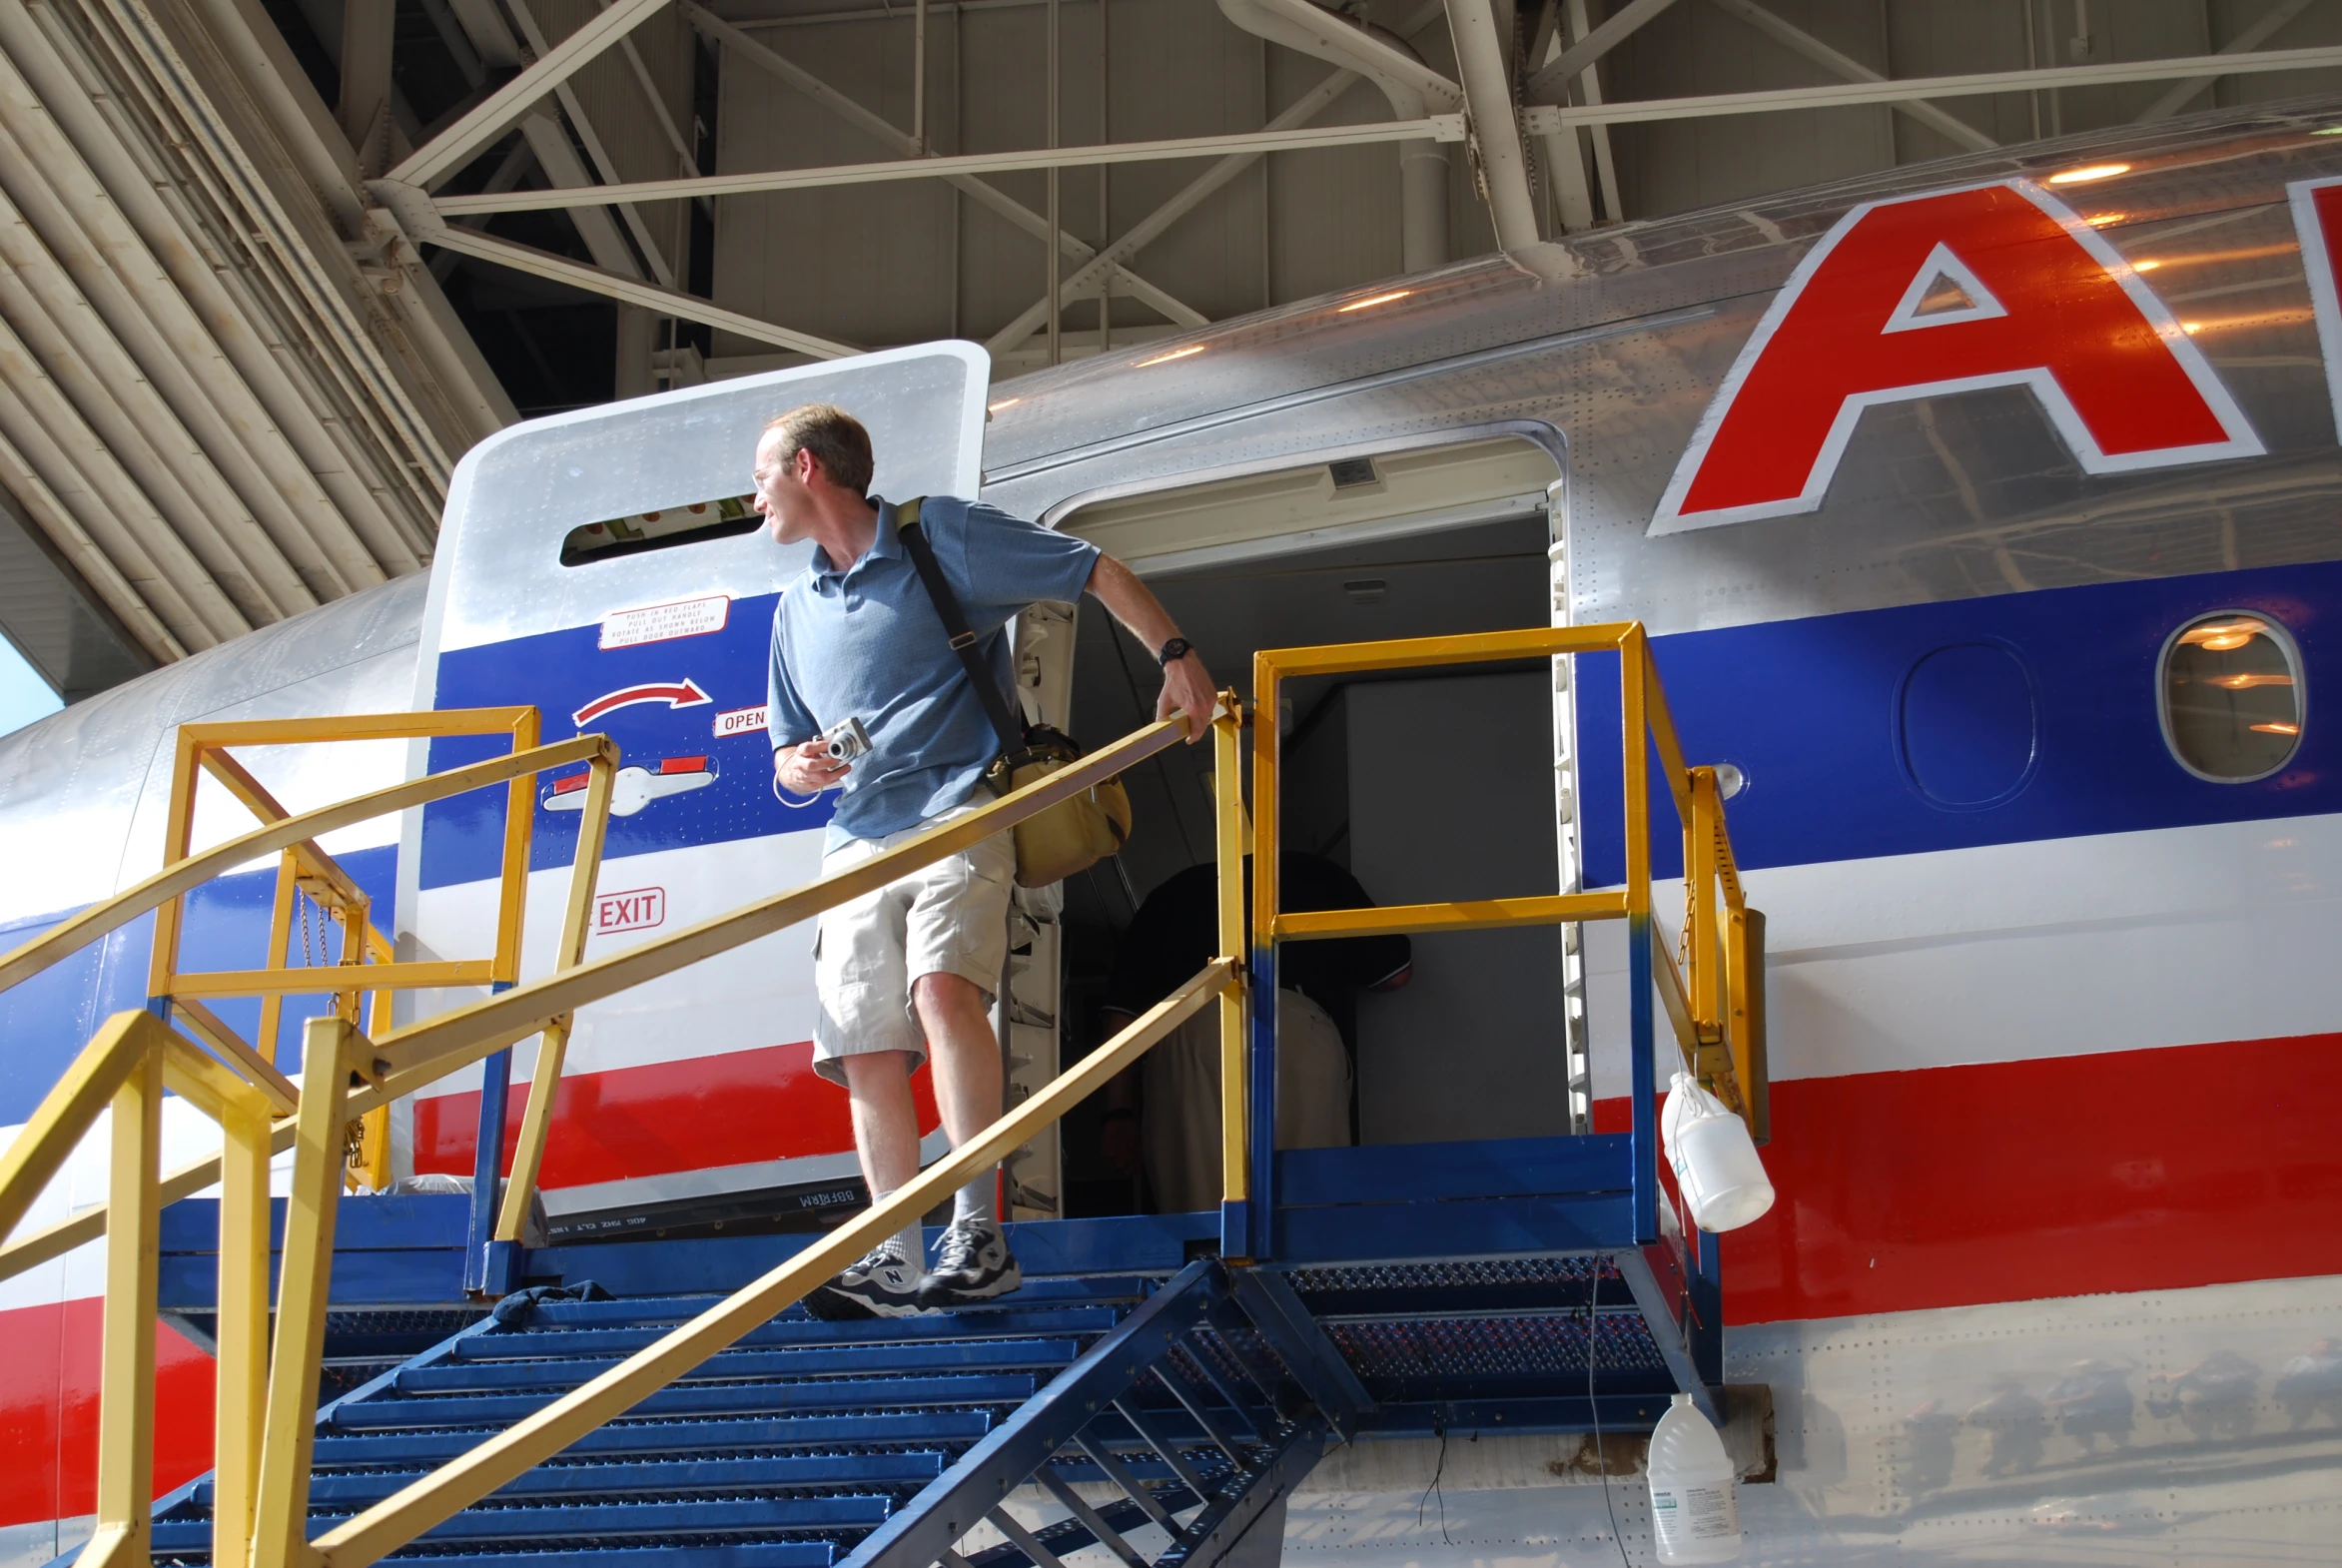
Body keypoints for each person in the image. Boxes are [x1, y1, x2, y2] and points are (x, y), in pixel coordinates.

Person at [756, 402, 1215, 1318]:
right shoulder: (794, 608)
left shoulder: (939, 535)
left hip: (959, 808)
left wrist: (1177, 657)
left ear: (807, 469)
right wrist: (797, 769)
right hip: (852, 839)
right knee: (862, 1047)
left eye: (761, 475)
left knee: (943, 993)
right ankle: (891, 1251)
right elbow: (784, 752)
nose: (752, 497)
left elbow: (1091, 568)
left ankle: (975, 1230)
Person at [1097, 850, 1410, 1214]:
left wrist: (1117, 1114)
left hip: (1193, 1029)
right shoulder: (1319, 875)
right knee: (1306, 1207)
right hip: (1295, 1027)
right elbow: (1396, 973)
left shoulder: (1176, 890)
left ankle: (1214, 1268)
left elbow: (1124, 1013)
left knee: (1203, 1210)